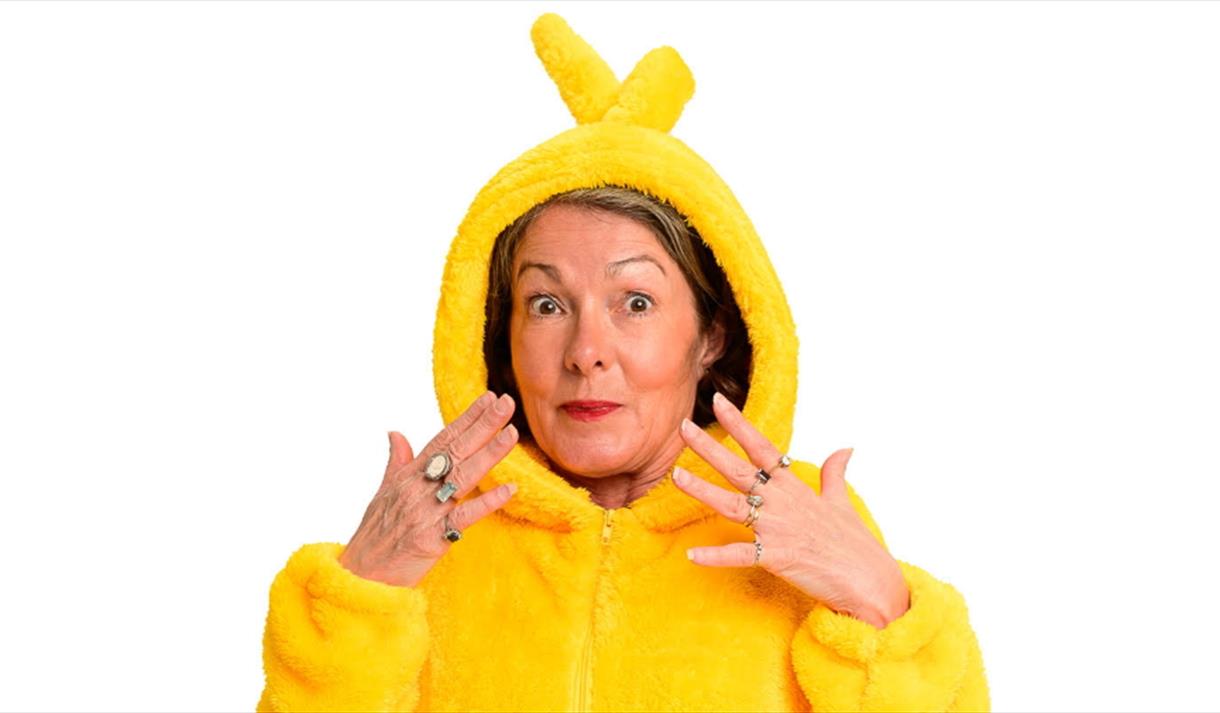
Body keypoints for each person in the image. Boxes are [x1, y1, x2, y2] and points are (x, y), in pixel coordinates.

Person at [256, 13, 990, 713]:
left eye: (635, 301)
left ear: (712, 334)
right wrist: (359, 597)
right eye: (547, 304)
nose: (586, 353)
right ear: (497, 331)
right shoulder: (427, 538)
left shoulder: (801, 528)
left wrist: (882, 610)